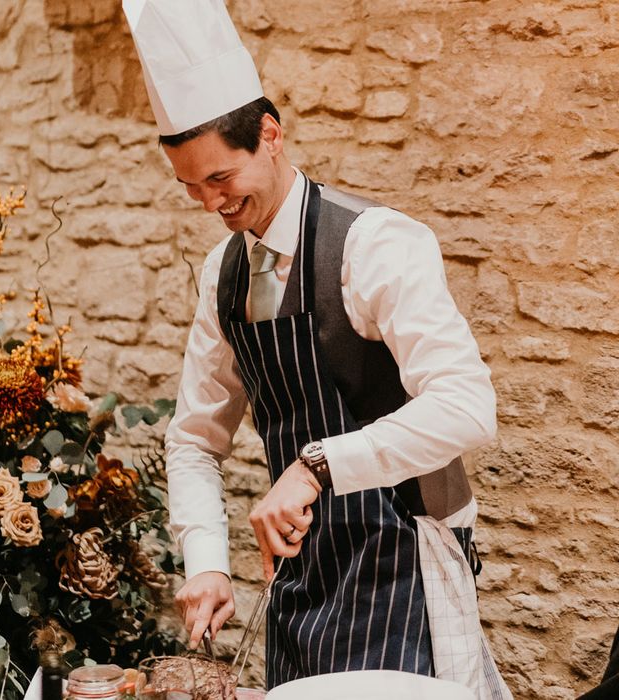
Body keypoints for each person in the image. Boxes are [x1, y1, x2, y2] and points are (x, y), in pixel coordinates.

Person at [123, 1, 512, 697]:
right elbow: (193, 439)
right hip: (299, 586)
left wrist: (316, 467)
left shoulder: (376, 244)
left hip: (402, 570)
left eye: (221, 179)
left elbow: (467, 406)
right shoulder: (225, 274)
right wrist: (206, 561)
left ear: (269, 135)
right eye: (190, 187)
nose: (211, 202)